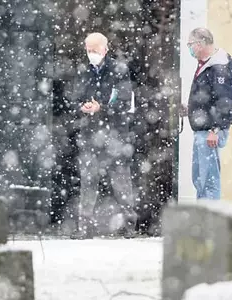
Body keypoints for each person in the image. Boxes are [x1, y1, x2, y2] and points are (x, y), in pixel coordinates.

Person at [69, 32, 136, 239]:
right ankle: (84, 228)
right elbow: (72, 98)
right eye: (88, 50)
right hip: (89, 133)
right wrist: (82, 106)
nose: (91, 54)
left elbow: (125, 102)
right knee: (88, 181)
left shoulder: (119, 70)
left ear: (105, 50)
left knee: (120, 181)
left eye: (95, 50)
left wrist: (103, 108)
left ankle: (129, 226)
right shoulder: (82, 71)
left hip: (114, 134)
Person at [184, 27, 232, 200]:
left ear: (200, 44)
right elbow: (207, 98)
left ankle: (210, 222)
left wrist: (215, 129)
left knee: (209, 180)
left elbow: (225, 101)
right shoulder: (207, 65)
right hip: (203, 131)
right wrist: (190, 109)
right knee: (199, 179)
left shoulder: (219, 66)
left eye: (190, 44)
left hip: (209, 132)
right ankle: (202, 219)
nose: (189, 48)